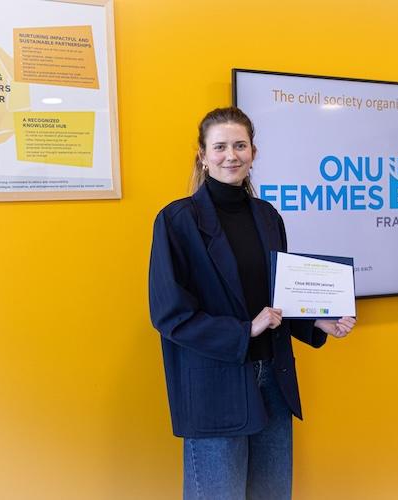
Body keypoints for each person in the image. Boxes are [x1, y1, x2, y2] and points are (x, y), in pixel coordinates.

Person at [148, 107, 356, 500]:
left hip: (273, 381)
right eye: (220, 147)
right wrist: (246, 330)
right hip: (216, 384)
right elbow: (170, 315)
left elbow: (279, 295)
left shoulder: (267, 216)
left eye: (240, 146)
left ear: (253, 153)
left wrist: (316, 322)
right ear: (203, 156)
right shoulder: (177, 221)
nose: (231, 155)